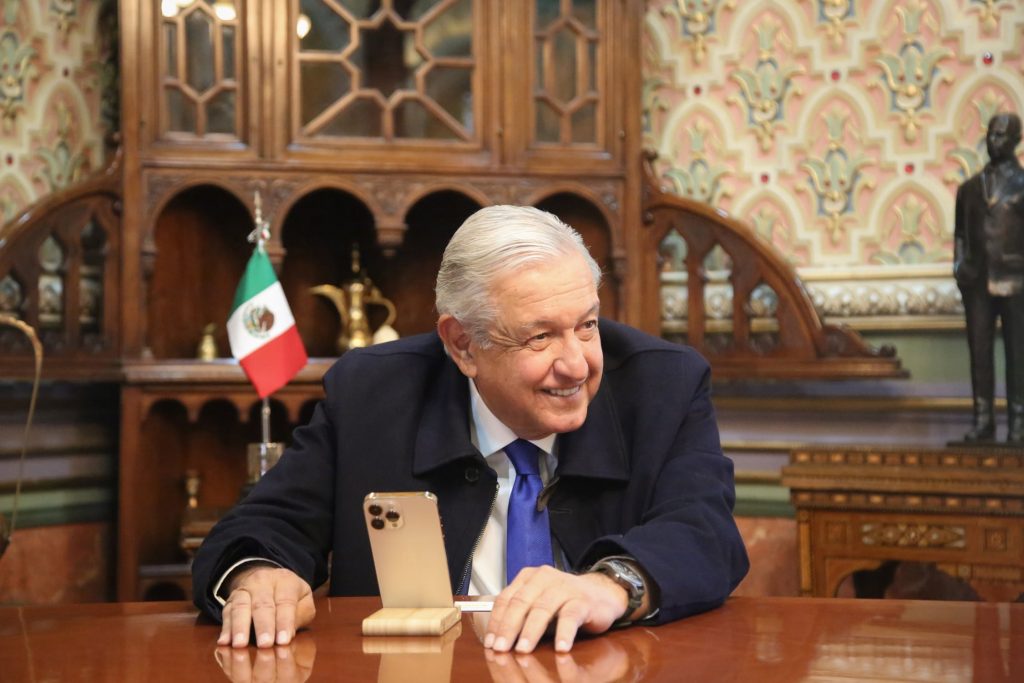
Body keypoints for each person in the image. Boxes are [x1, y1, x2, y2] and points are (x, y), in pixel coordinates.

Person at [192, 205, 749, 654]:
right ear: (462, 344)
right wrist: (257, 575)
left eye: (586, 325)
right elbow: (265, 524)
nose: (577, 365)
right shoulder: (371, 395)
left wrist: (610, 586)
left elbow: (705, 532)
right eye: (539, 337)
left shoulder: (663, 386)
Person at [953, 113, 1024, 443]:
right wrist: (959, 267)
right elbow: (960, 235)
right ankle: (983, 420)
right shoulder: (969, 189)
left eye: (1001, 136)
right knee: (979, 354)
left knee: (1018, 355)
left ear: (1016, 141)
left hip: (1016, 282)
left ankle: (1018, 423)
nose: (993, 141)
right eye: (990, 134)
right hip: (977, 283)